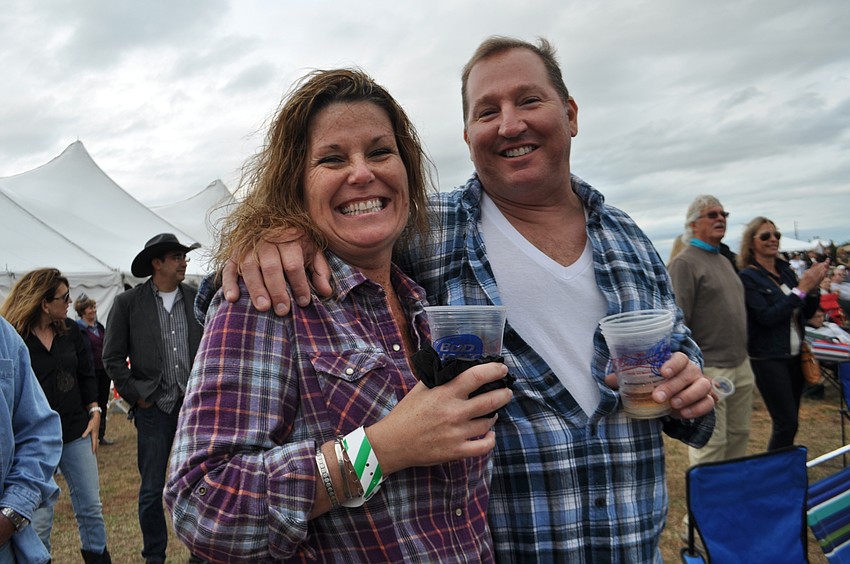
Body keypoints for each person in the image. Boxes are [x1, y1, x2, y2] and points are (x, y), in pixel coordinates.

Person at [219, 37, 716, 562]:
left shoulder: (630, 239)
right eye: (487, 111)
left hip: (631, 545)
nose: (509, 124)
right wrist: (274, 235)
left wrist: (690, 385)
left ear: (569, 114)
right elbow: (344, 218)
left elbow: (677, 350)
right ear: (467, 134)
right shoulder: (427, 232)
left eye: (529, 100)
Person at [165, 68, 512, 563]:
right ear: (296, 187)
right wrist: (380, 450)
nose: (362, 173)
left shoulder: (421, 304)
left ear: (407, 170)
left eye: (379, 151)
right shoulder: (271, 302)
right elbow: (202, 504)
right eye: (332, 158)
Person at [102, 234, 202, 564]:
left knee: (202, 483)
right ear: (157, 263)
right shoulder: (128, 304)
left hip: (195, 407)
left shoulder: (196, 297)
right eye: (177, 256)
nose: (184, 261)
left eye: (184, 256)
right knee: (151, 491)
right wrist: (138, 396)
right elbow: (112, 357)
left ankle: (200, 553)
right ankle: (154, 557)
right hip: (154, 408)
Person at [0, 269, 111, 563]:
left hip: (75, 430)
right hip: (32, 442)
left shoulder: (72, 332)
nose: (70, 302)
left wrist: (96, 411)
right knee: (38, 517)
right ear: (44, 303)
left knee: (91, 507)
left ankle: (98, 558)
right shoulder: (14, 337)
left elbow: (88, 375)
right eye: (64, 297)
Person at [668, 196, 754, 535]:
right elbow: (678, 322)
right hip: (710, 371)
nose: (721, 218)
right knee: (710, 447)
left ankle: (729, 507)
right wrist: (694, 372)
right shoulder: (685, 263)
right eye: (712, 214)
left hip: (741, 366)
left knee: (739, 438)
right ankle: (699, 520)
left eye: (724, 213)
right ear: (693, 224)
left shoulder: (723, 259)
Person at [738, 218, 827, 450]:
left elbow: (805, 312)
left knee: (792, 422)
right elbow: (766, 317)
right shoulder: (747, 278)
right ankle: (776, 474)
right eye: (765, 236)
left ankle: (781, 469)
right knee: (785, 422)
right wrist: (802, 289)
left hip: (795, 354)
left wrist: (814, 289)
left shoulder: (785, 271)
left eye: (776, 234)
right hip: (768, 357)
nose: (773, 239)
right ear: (751, 243)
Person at [0, 314, 62, 564]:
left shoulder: (5, 337)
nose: (67, 304)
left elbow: (39, 431)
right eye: (62, 297)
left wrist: (11, 514)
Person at [74, 295, 114, 446]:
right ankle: (88, 435)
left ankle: (101, 435)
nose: (94, 310)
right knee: (90, 404)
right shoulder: (78, 329)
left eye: (94, 307)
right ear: (83, 311)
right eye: (90, 308)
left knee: (103, 402)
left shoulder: (100, 328)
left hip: (103, 370)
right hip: (88, 372)